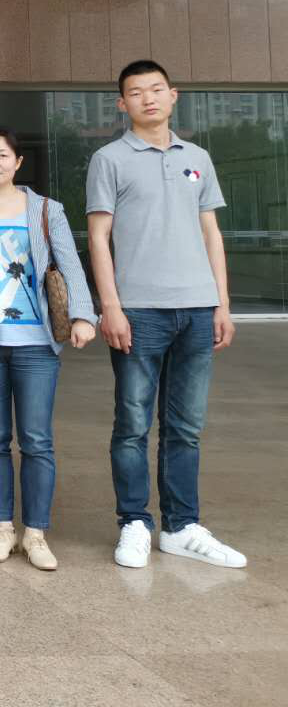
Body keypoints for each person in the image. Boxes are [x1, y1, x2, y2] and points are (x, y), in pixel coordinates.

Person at [88, 60, 246, 570]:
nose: (148, 98)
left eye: (156, 89)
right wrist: (111, 306)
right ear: (123, 104)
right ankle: (135, 522)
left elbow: (211, 233)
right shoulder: (109, 159)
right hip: (139, 311)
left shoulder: (197, 158)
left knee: (185, 427)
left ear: (173, 95)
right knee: (132, 425)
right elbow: (98, 237)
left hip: (197, 309)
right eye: (136, 92)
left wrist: (222, 303)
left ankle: (181, 527)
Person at [0, 126, 96, 571]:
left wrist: (83, 315)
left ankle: (36, 534)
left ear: (18, 162)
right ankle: (3, 527)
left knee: (37, 440)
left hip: (37, 343)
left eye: (3, 155)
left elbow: (70, 265)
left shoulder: (46, 209)